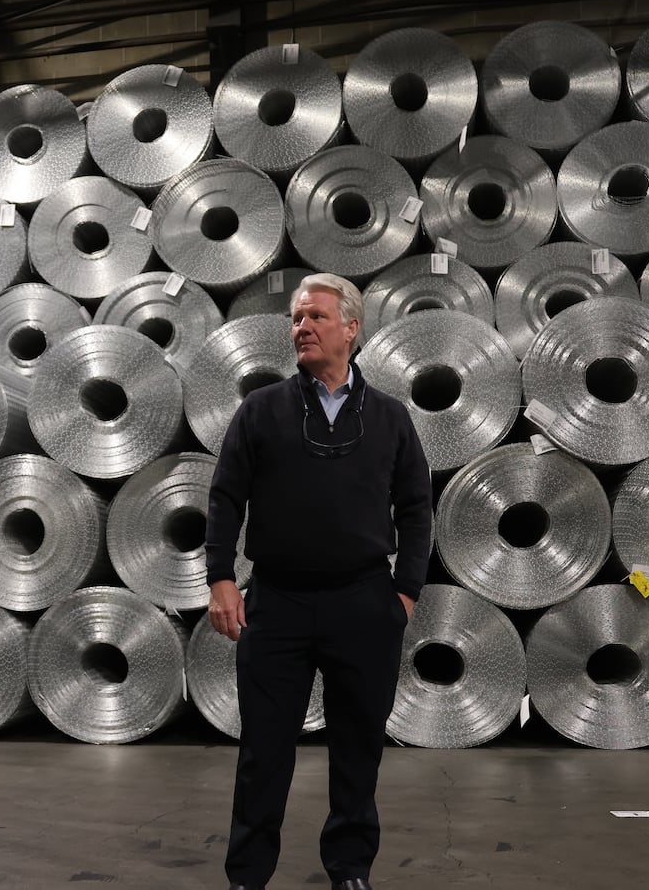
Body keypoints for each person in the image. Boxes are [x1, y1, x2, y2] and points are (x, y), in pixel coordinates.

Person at [204, 273, 432, 890]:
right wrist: (221, 578)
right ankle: (249, 874)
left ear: (351, 330)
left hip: (364, 603)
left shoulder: (388, 417)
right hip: (276, 603)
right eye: (297, 319)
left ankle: (350, 867)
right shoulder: (262, 410)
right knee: (263, 751)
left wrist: (405, 593)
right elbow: (226, 497)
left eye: (316, 318)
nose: (301, 327)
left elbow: (416, 507)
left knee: (358, 749)